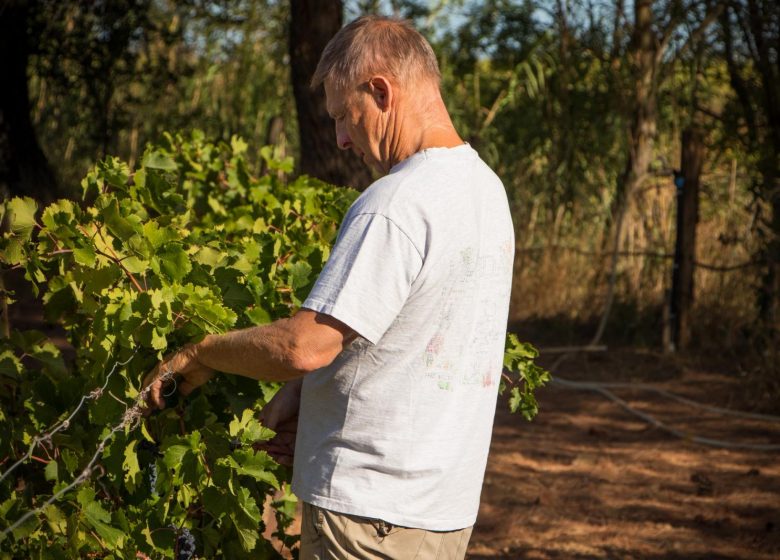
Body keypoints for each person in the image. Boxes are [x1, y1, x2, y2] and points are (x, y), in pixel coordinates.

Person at [143, 15, 514, 560]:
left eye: (344, 114)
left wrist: (203, 354)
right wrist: (302, 400)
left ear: (381, 90)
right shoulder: (486, 190)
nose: (341, 138)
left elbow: (303, 345)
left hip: (367, 518)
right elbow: (401, 332)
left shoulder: (395, 203)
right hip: (440, 515)